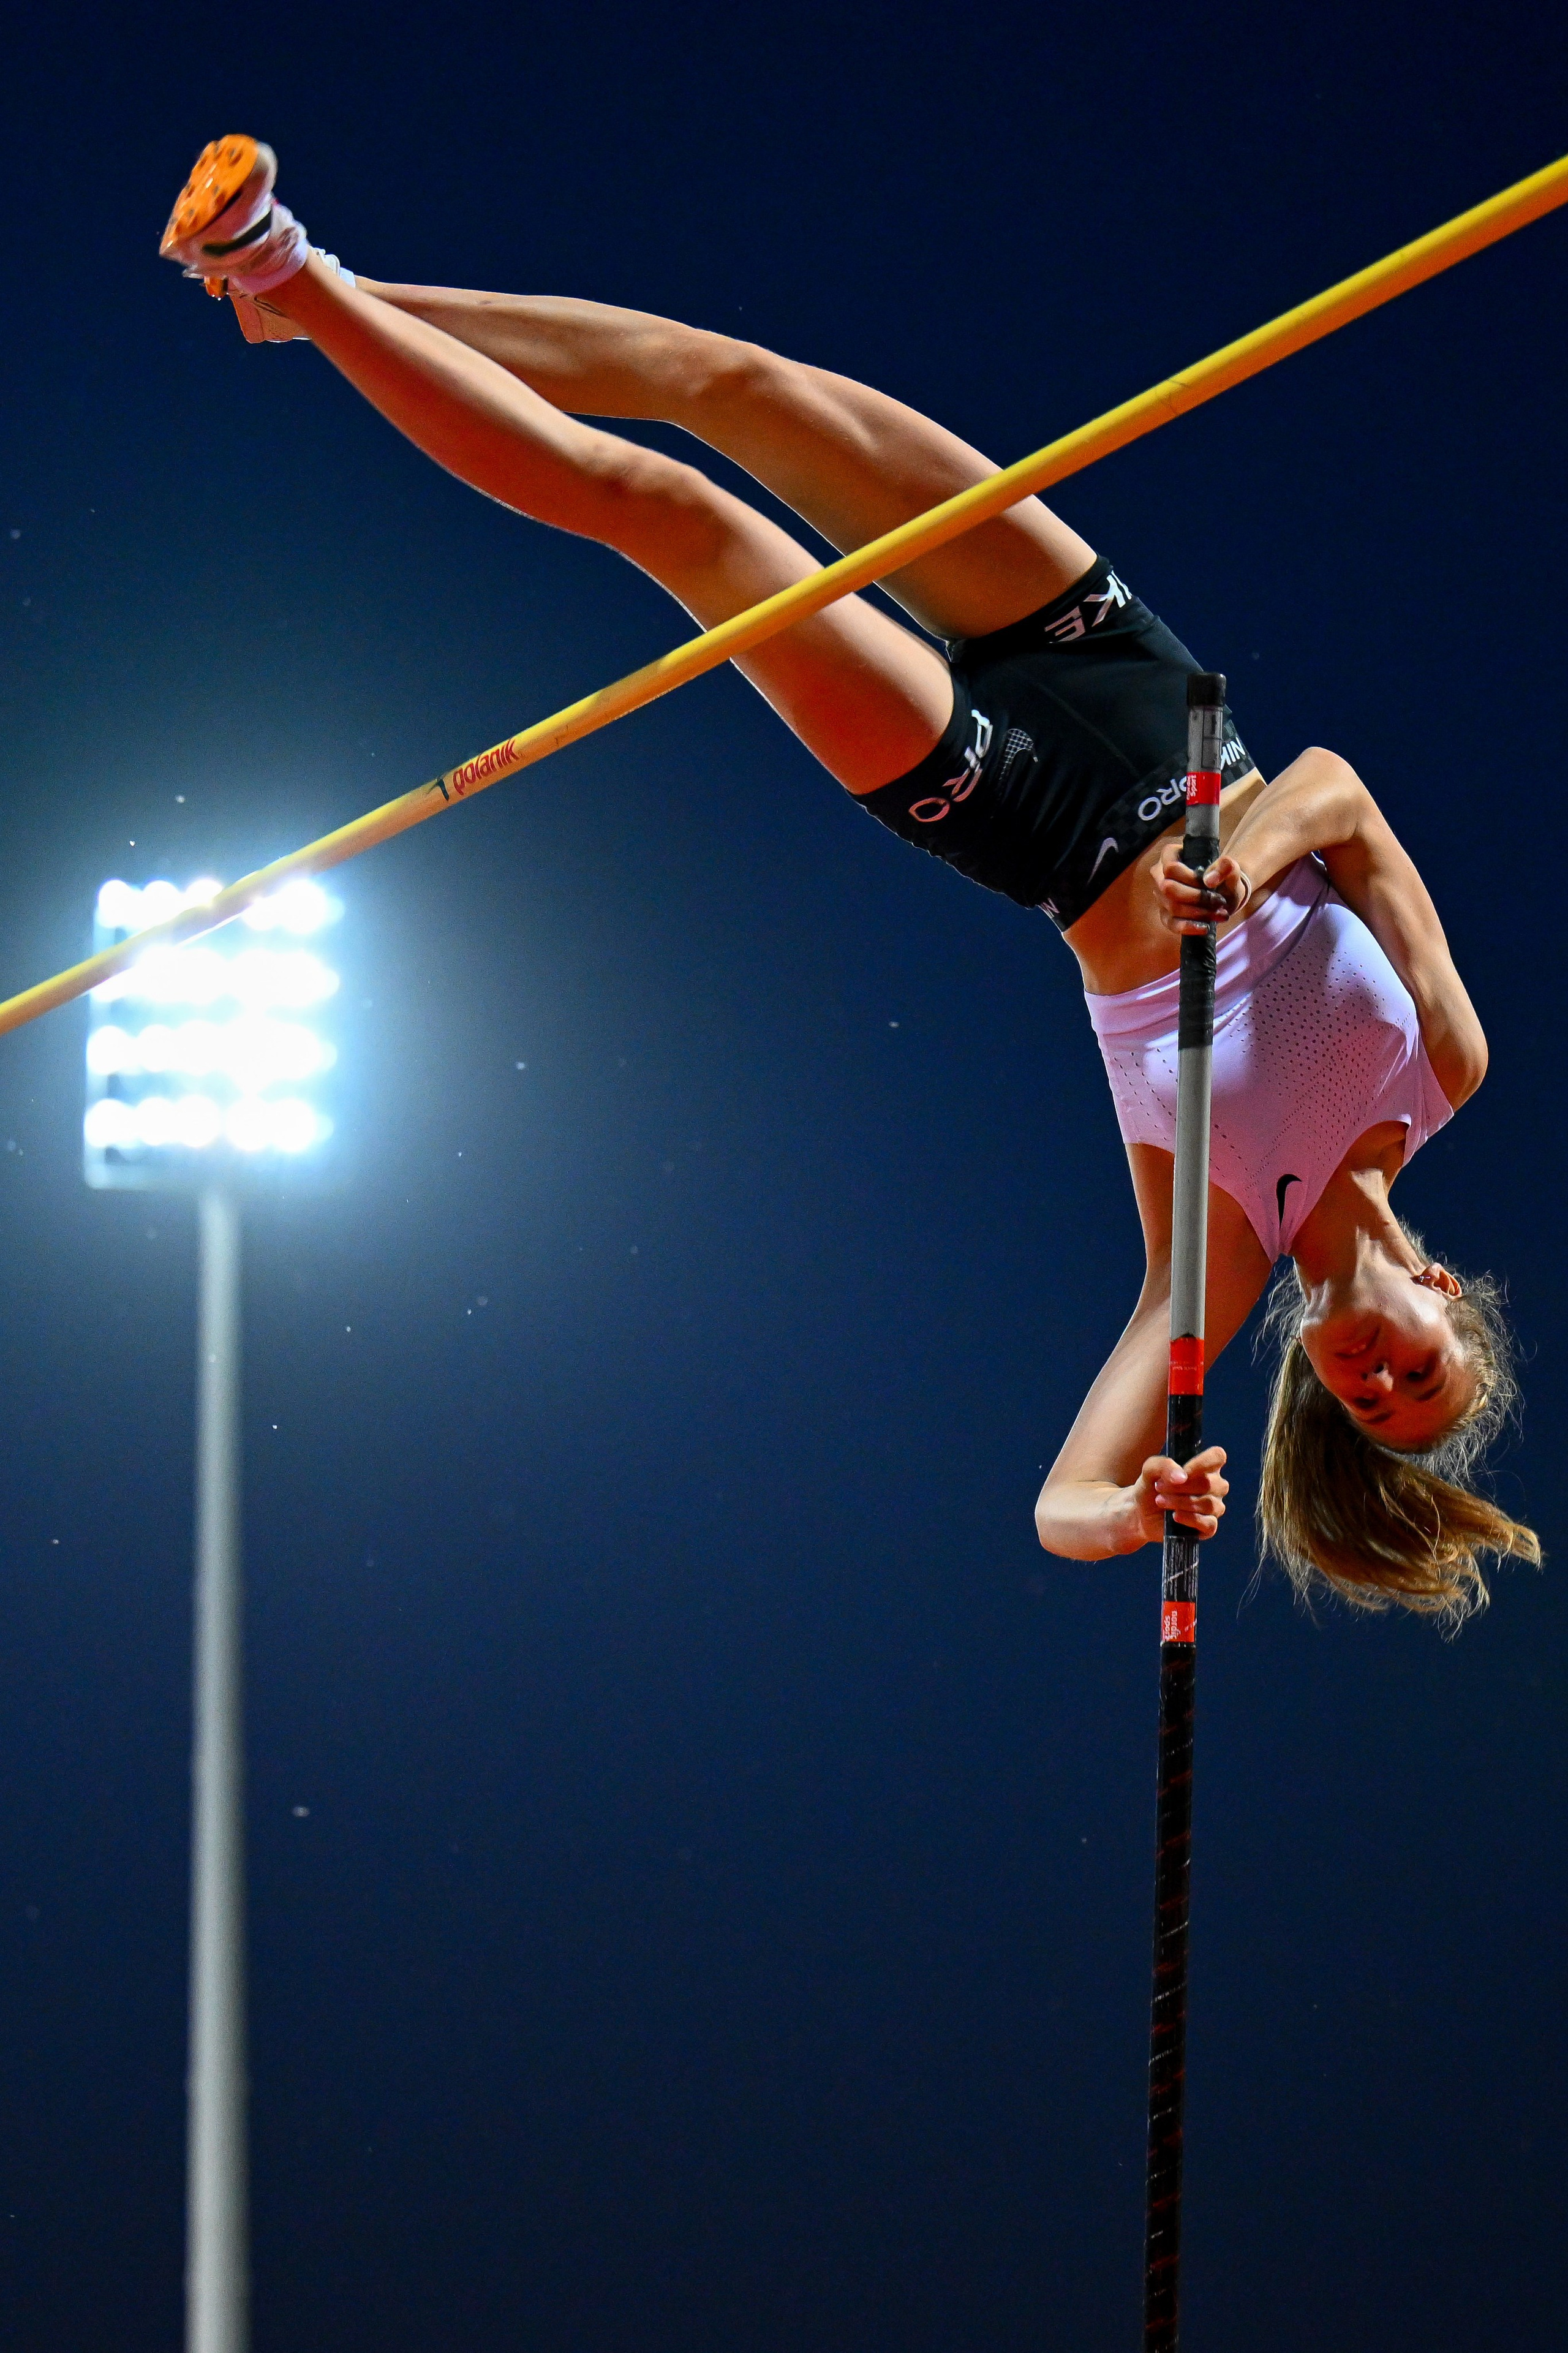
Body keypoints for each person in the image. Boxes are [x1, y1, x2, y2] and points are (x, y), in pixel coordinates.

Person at [161, 138, 1539, 1623]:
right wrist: (1242, 853)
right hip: (1128, 680)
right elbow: (1338, 795)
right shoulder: (1439, 1063)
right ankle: (320, 309)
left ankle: (285, 271)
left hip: (1028, 818)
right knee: (731, 383)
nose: (1377, 1370)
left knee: (677, 518)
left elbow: (1057, 1502)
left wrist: (1125, 1509)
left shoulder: (1210, 1261)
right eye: (1419, 1372)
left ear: (1317, 1391)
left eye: (1366, 1402)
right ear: (1448, 1299)